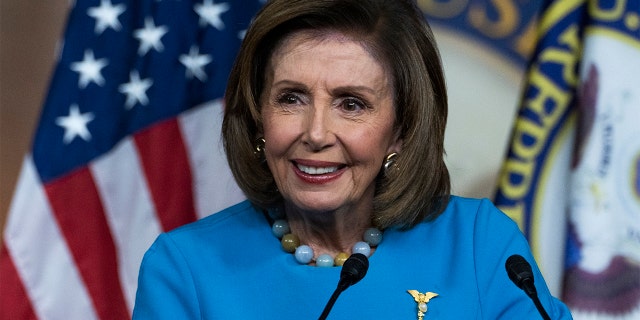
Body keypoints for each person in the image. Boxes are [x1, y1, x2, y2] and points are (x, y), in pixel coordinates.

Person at [132, 0, 573, 318]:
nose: (317, 133)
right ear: (257, 119)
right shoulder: (184, 269)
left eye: (352, 104)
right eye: (291, 98)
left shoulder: (479, 243)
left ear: (401, 129)